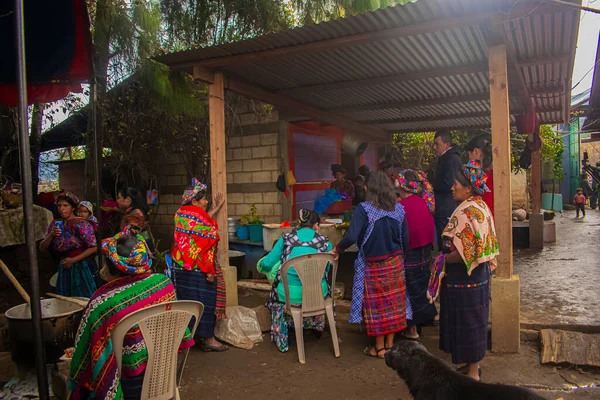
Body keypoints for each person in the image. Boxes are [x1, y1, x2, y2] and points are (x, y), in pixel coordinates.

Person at [68, 226, 194, 400]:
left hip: (128, 383)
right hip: (165, 369)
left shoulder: (102, 305)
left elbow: (83, 359)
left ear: (113, 267)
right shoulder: (163, 283)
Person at [333, 170, 410, 359]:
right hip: (395, 264)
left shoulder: (364, 209)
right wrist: (400, 259)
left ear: (369, 189)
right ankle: (390, 347)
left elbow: (351, 236)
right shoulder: (398, 210)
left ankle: (379, 348)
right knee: (393, 306)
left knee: (377, 308)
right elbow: (406, 240)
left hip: (373, 266)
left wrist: (338, 249)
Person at [439, 160, 499, 381]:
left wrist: (444, 259)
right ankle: (471, 366)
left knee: (467, 323)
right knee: (475, 321)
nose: (452, 187)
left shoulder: (465, 211)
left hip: (465, 279)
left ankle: (473, 374)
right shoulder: (481, 205)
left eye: (456, 184)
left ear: (468, 188)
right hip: (481, 276)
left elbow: (465, 252)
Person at [257, 209, 332, 352]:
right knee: (321, 284)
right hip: (317, 294)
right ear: (316, 225)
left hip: (290, 295)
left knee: (277, 292)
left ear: (300, 223)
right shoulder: (325, 242)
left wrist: (263, 264)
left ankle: (282, 339)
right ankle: (316, 324)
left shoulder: (285, 239)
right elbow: (326, 270)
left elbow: (267, 264)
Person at [169, 179, 228, 352]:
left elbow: (197, 225)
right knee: (205, 302)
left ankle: (188, 338)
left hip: (180, 266)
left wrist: (215, 209)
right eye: (203, 200)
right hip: (199, 268)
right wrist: (209, 270)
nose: (207, 201)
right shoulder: (199, 218)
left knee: (186, 301)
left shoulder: (180, 214)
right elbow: (205, 245)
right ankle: (208, 339)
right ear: (194, 201)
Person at [396, 170, 437, 340]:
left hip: (411, 252)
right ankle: (430, 316)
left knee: (409, 289)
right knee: (422, 285)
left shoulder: (401, 207)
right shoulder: (423, 203)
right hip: (425, 251)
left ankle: (412, 330)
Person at [39, 191, 98, 297]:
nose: (62, 209)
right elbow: (42, 247)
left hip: (81, 265)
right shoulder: (55, 224)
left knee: (83, 296)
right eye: (59, 206)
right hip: (64, 265)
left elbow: (93, 248)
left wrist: (73, 260)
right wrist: (51, 235)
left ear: (73, 208)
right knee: (66, 298)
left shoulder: (82, 224)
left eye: (66, 205)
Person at [432, 130, 463, 249]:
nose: (435, 147)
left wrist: (432, 185)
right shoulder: (445, 158)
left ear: (447, 144)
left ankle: (446, 263)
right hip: (443, 207)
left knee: (446, 242)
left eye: (437, 144)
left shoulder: (451, 159)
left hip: (447, 208)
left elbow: (449, 183)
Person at [117, 187, 154, 253]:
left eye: (119, 198)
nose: (117, 201)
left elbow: (136, 229)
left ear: (127, 199)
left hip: (139, 250)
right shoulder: (130, 212)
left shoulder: (137, 213)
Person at [465, 135, 494, 216]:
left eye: (468, 155)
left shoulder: (478, 177)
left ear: (475, 151)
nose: (469, 159)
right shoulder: (494, 173)